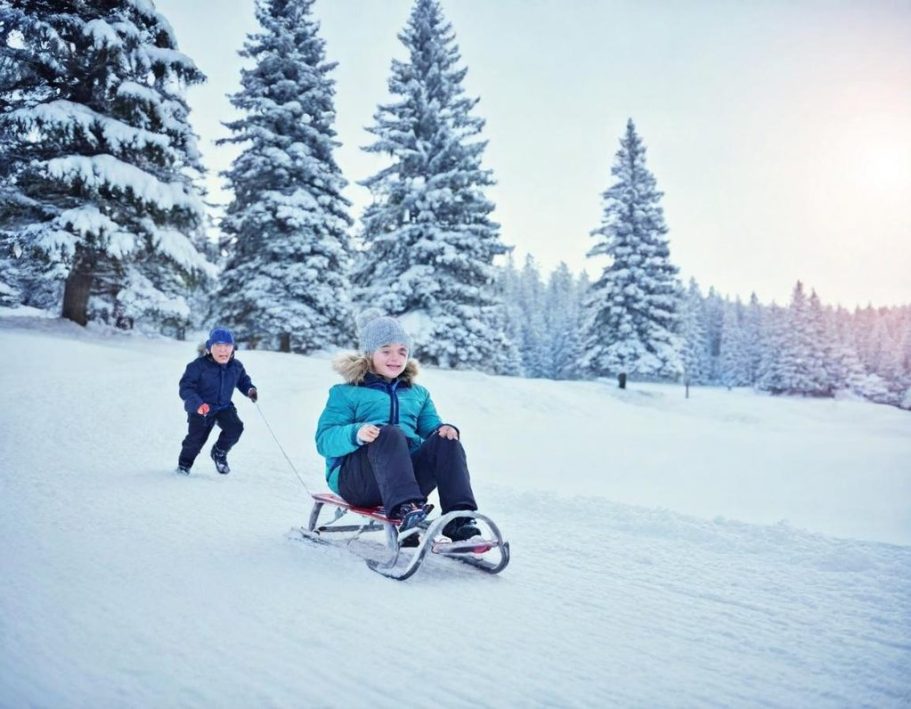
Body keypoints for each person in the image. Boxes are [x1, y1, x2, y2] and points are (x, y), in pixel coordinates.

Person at [315, 313, 482, 545]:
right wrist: (356, 433)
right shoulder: (346, 392)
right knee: (390, 433)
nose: (395, 358)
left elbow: (431, 427)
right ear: (369, 353)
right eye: (386, 351)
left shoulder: (418, 394)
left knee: (446, 438)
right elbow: (324, 440)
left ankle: (458, 519)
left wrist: (444, 429)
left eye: (402, 351)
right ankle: (406, 512)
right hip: (359, 483)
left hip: (408, 482)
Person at [176, 327, 257, 475]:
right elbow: (186, 388)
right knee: (195, 440)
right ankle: (184, 465)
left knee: (235, 428)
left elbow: (243, 380)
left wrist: (250, 390)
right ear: (209, 348)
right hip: (202, 408)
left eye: (227, 346)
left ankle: (219, 452)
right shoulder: (197, 366)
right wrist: (197, 404)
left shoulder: (236, 366)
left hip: (223, 407)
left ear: (233, 348)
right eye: (218, 346)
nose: (223, 350)